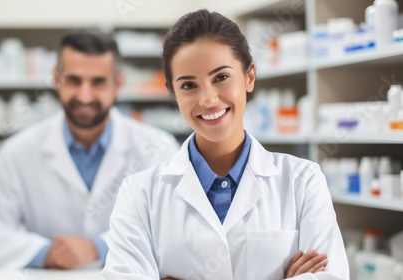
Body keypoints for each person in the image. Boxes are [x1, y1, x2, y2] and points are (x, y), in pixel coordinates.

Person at [103, 10, 349, 280]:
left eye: (220, 78)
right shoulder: (140, 194)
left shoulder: (303, 181)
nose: (208, 100)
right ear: (173, 93)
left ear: (249, 77)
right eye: (188, 85)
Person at [0, 30, 180, 269]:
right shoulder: (17, 152)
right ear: (56, 79)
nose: (84, 96)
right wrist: (48, 253)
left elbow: (173, 228)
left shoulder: (157, 147)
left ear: (118, 83)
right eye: (74, 80)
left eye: (98, 82)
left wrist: (97, 248)